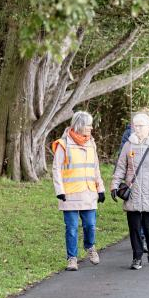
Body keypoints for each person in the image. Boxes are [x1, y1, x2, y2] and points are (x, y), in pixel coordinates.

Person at [111, 113, 149, 269]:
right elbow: (120, 168)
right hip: (132, 192)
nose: (137, 129)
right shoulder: (128, 145)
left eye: (141, 126)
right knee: (133, 227)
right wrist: (114, 185)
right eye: (135, 126)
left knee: (147, 225)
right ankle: (137, 257)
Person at [52, 111, 106, 271]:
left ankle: (90, 247)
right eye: (88, 125)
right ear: (80, 125)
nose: (91, 128)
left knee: (90, 225)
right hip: (69, 194)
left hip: (89, 192)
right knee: (72, 228)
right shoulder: (64, 144)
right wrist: (59, 190)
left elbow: (95, 168)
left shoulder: (91, 143)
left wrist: (100, 188)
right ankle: (72, 258)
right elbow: (56, 169)